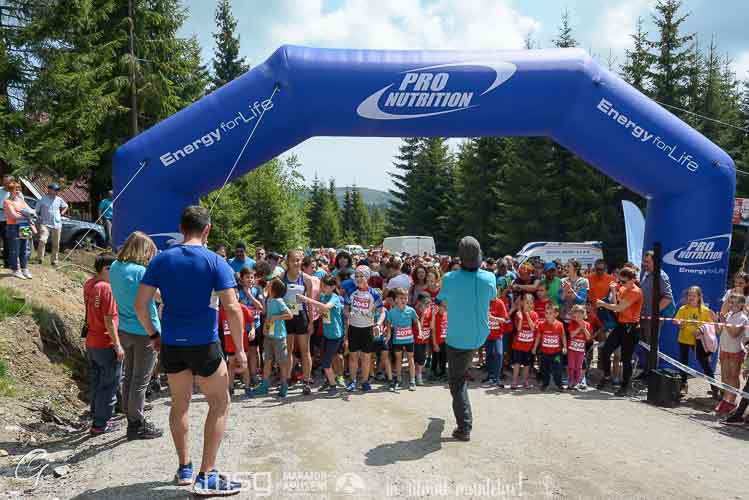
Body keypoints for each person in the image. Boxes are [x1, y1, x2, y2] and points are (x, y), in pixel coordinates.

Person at [134, 205, 245, 495]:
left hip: (172, 343)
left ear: (181, 228)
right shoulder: (216, 261)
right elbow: (233, 308)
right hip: (204, 344)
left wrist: (154, 334)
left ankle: (185, 468)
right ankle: (206, 475)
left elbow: (140, 304)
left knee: (179, 404)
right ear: (207, 229)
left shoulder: (161, 260)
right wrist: (240, 350)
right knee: (219, 404)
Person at [436, 236, 496, 442]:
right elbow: (492, 297)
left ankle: (464, 427)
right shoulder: (489, 277)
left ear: (460, 258)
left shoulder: (449, 278)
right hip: (480, 336)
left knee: (457, 381)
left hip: (458, 338)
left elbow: (440, 300)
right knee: (462, 371)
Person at [109, 231, 163, 440]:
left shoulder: (115, 267)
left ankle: (131, 415)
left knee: (129, 376)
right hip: (146, 330)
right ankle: (136, 423)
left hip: (124, 328)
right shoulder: (142, 272)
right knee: (140, 379)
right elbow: (159, 296)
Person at [84, 252, 122, 435]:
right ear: (105, 269)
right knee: (109, 384)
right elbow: (109, 319)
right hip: (105, 342)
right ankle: (101, 423)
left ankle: (96, 416)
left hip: (91, 341)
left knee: (98, 381)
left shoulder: (90, 284)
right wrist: (117, 345)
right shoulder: (107, 288)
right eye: (112, 269)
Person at [596, 267, 643, 396]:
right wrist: (613, 291)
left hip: (631, 327)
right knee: (606, 350)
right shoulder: (622, 289)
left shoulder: (635, 291)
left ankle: (625, 386)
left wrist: (602, 304)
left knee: (626, 358)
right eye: (620, 281)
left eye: (624, 281)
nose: (621, 284)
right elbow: (615, 304)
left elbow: (620, 308)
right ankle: (607, 376)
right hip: (621, 325)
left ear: (632, 280)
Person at [297, 275, 344, 396]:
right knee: (324, 360)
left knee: (326, 362)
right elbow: (321, 310)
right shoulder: (324, 297)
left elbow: (325, 307)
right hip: (327, 335)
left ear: (333, 287)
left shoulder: (334, 298)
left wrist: (307, 300)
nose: (322, 288)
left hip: (335, 336)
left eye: (325, 286)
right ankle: (329, 381)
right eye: (321, 285)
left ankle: (334, 387)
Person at [344, 265, 385, 392]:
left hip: (367, 328)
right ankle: (352, 381)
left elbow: (382, 312)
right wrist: (348, 313)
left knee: (366, 357)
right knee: (353, 356)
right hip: (354, 328)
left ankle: (365, 381)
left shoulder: (374, 294)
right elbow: (345, 309)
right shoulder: (351, 292)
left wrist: (378, 324)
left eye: (361, 276)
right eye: (356, 276)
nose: (358, 278)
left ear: (367, 277)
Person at [673, 286, 718, 398]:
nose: (691, 297)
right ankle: (683, 385)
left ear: (699, 297)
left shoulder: (705, 310)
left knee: (705, 364)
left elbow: (710, 326)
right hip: (684, 339)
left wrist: (700, 330)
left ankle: (714, 388)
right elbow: (675, 320)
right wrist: (679, 323)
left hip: (699, 341)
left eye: (694, 295)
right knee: (683, 363)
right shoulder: (683, 308)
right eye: (689, 295)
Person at [282, 249, 315, 395]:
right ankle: (287, 380)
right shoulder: (282, 277)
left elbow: (310, 302)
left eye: (298, 260)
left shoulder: (306, 279)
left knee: (305, 351)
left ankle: (306, 381)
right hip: (286, 316)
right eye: (293, 260)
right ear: (287, 262)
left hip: (301, 315)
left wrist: (311, 321)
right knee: (287, 351)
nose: (296, 263)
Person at [637, 250, 674, 378]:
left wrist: (654, 313)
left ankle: (652, 375)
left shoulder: (661, 276)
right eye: (644, 261)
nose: (644, 264)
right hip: (642, 316)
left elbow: (668, 298)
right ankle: (646, 372)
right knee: (645, 346)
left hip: (652, 319)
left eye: (647, 262)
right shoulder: (646, 274)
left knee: (651, 346)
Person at [255, 278, 293, 397]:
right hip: (269, 336)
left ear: (274, 288)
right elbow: (267, 315)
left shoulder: (278, 301)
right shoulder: (269, 299)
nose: (268, 284)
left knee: (282, 362)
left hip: (279, 337)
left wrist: (275, 318)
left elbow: (289, 315)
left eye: (270, 284)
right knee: (267, 360)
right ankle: (265, 385)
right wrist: (265, 328)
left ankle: (284, 385)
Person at [716, 294, 748, 415]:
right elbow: (719, 331)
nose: (733, 305)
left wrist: (724, 322)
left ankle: (732, 402)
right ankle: (725, 399)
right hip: (724, 348)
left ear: (742, 304)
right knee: (725, 376)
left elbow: (734, 334)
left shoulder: (743, 318)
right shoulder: (728, 315)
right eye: (731, 302)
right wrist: (716, 321)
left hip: (735, 350)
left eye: (737, 303)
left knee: (733, 376)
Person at [218, 291, 254, 397]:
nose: (234, 296)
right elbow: (216, 324)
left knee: (244, 365)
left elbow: (252, 321)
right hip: (229, 343)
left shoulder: (243, 308)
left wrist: (252, 330)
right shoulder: (222, 310)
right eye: (232, 294)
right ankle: (230, 388)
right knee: (231, 365)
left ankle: (247, 387)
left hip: (243, 343)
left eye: (236, 294)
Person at [387, 287, 421, 391]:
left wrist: (420, 331)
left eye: (405, 298)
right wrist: (388, 334)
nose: (404, 300)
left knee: (410, 358)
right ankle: (398, 378)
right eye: (401, 298)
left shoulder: (411, 310)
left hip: (409, 339)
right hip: (397, 340)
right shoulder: (391, 312)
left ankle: (412, 380)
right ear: (396, 299)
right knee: (398, 359)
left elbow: (416, 321)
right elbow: (388, 323)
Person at [237, 268, 264, 387]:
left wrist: (249, 294)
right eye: (247, 277)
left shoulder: (257, 290)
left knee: (253, 351)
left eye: (252, 277)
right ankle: (244, 375)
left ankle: (253, 375)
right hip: (242, 327)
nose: (250, 279)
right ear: (242, 279)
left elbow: (261, 307)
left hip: (255, 326)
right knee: (243, 352)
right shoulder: (237, 291)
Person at [533, 303, 566, 391]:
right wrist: (535, 347)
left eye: (550, 313)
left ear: (556, 314)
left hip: (557, 354)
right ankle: (545, 384)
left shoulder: (560, 324)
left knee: (558, 369)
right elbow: (538, 336)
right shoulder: (541, 324)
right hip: (544, 353)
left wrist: (565, 347)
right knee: (544, 370)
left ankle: (559, 385)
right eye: (546, 313)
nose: (547, 315)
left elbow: (563, 336)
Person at [3, 181, 33, 280]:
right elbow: (13, 215)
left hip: (24, 226)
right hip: (13, 227)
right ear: (10, 190)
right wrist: (26, 215)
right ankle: (15, 269)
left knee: (24, 249)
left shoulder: (21, 201)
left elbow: (31, 211)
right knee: (14, 250)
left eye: (19, 188)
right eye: (15, 189)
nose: (17, 191)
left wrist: (25, 214)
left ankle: (24, 268)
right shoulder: (7, 202)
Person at [35, 183, 68, 266]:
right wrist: (39, 219)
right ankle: (39, 259)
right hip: (45, 224)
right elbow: (36, 211)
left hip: (57, 224)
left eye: (57, 190)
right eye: (55, 190)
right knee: (42, 240)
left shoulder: (59, 199)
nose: (57, 192)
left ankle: (54, 260)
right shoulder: (42, 199)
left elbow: (66, 206)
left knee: (56, 243)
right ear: (49, 190)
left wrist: (62, 213)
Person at [511, 294, 538, 389]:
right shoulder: (518, 314)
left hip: (529, 346)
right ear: (522, 303)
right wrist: (521, 318)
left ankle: (525, 381)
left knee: (527, 364)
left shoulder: (534, 315)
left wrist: (528, 316)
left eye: (531, 303)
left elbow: (533, 328)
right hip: (518, 345)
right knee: (517, 363)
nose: (529, 305)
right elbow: (518, 329)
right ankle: (514, 381)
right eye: (527, 303)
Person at [486, 287, 509, 386]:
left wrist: (493, 318)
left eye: (494, 292)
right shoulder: (484, 302)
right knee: (489, 355)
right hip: (487, 335)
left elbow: (504, 320)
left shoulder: (500, 303)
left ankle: (497, 377)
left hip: (497, 335)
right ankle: (490, 376)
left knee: (499, 354)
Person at [567, 305, 592, 390]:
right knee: (571, 366)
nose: (577, 318)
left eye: (579, 315)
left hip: (580, 350)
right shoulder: (572, 323)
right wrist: (579, 327)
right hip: (572, 349)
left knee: (578, 367)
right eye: (575, 316)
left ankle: (577, 382)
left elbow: (588, 337)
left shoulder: (587, 324)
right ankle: (571, 381)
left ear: (583, 315)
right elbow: (572, 335)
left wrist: (584, 329)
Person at [559, 259, 589, 323]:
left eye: (568, 266)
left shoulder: (584, 281)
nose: (566, 268)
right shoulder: (562, 281)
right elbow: (559, 301)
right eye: (565, 266)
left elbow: (580, 300)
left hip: (579, 318)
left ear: (576, 268)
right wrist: (564, 291)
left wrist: (570, 290)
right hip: (564, 318)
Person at [414, 292, 433, 386]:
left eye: (429, 302)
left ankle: (417, 374)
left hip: (425, 339)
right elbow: (419, 327)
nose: (428, 304)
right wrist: (423, 315)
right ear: (419, 302)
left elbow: (431, 326)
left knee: (422, 358)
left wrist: (433, 315)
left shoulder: (429, 310)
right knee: (419, 359)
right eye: (426, 302)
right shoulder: (415, 311)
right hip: (416, 339)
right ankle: (418, 376)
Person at [430, 299, 448, 380]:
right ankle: (433, 372)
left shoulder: (446, 314)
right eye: (442, 306)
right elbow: (432, 330)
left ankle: (443, 372)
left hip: (445, 341)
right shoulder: (435, 316)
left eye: (445, 306)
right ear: (438, 306)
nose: (444, 307)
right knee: (435, 358)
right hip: (437, 341)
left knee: (443, 358)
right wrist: (435, 344)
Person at [0, 174, 12, 267]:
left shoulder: (14, 192)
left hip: (8, 220)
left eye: (7, 182)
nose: (5, 183)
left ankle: (7, 262)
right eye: (4, 181)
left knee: (7, 241)